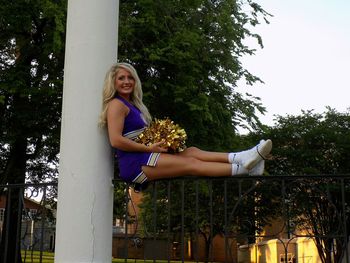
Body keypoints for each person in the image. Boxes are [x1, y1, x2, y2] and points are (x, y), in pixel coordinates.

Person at [99, 62, 272, 187]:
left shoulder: (133, 106)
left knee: (192, 151)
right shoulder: (116, 104)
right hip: (134, 163)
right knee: (191, 163)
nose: (127, 81)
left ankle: (243, 157)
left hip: (143, 156)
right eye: (121, 78)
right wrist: (149, 148)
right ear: (113, 82)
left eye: (130, 77)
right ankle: (246, 169)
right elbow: (115, 140)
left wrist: (165, 142)